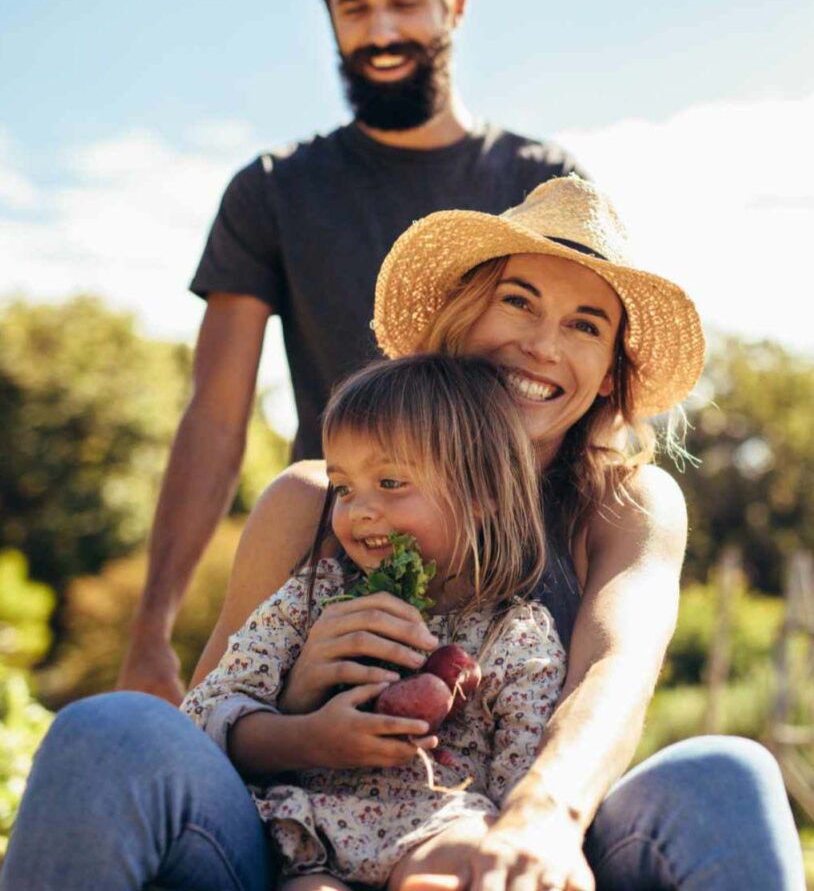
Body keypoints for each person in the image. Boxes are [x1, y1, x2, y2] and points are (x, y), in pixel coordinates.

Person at [2, 177, 803, 890]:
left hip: (509, 835)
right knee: (107, 731)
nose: (542, 343)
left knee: (727, 773)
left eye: (586, 326)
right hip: (292, 842)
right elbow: (204, 726)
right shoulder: (312, 500)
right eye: (518, 300)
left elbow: (616, 671)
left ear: (610, 372)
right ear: (463, 315)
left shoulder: (624, 501)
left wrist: (542, 816)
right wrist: (300, 697)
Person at [119, 0, 588, 705]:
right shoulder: (273, 191)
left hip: (514, 573)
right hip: (336, 558)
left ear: (455, 5)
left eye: (404, 2)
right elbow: (216, 417)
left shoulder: (537, 183)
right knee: (230, 762)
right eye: (354, 7)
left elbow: (584, 386)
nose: (379, 32)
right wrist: (153, 624)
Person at [181, 354, 567, 890]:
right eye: (343, 488)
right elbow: (201, 717)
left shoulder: (516, 635)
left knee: (469, 853)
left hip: (439, 827)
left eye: (389, 482)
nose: (358, 509)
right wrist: (307, 737)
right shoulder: (311, 601)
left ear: (479, 496)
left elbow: (521, 777)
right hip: (311, 836)